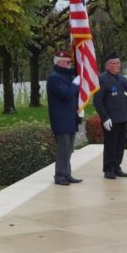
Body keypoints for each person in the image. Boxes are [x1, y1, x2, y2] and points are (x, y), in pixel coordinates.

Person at [47, 50, 82, 186]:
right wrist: (75, 84)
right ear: (59, 62)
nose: (70, 64)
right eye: (67, 62)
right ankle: (60, 175)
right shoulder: (55, 78)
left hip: (70, 118)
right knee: (63, 148)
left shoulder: (66, 76)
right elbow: (66, 94)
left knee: (69, 149)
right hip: (61, 119)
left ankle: (67, 173)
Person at [93, 52, 127, 179]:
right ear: (108, 65)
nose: (118, 65)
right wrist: (105, 117)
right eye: (115, 63)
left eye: (119, 63)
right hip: (111, 119)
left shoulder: (122, 79)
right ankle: (109, 169)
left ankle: (117, 166)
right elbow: (98, 101)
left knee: (120, 144)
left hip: (122, 118)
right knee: (110, 144)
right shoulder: (102, 79)